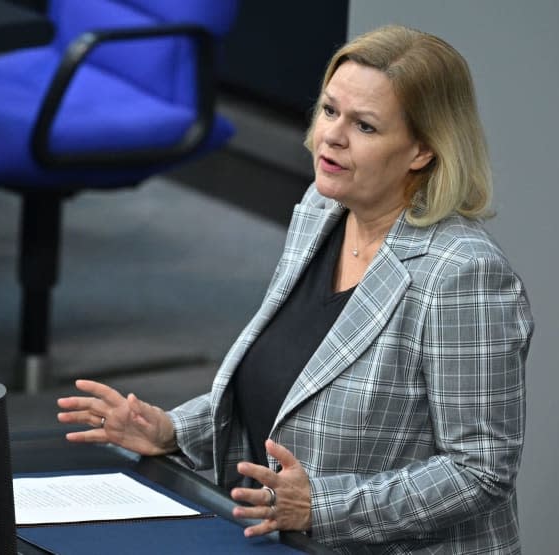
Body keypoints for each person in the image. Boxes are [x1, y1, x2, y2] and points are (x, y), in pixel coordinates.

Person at [56, 24, 534, 554]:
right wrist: (171, 430)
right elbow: (285, 388)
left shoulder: (462, 275)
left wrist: (320, 508)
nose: (332, 135)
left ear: (422, 150)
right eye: (330, 111)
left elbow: (480, 470)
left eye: (366, 126)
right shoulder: (322, 209)